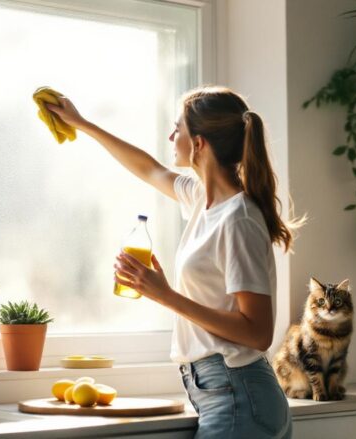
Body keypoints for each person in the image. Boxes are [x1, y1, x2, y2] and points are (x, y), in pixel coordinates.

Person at [45, 85, 298, 438]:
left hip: (238, 397)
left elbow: (257, 332)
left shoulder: (238, 219)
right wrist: (83, 124)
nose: (170, 135)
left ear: (199, 144)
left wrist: (163, 295)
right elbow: (148, 169)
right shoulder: (201, 201)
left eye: (177, 127)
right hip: (224, 395)